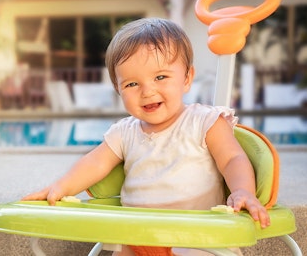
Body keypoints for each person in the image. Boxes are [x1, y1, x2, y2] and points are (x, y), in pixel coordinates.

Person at [22, 18, 270, 256]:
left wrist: (242, 191)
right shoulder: (124, 132)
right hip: (136, 236)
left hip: (197, 239)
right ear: (118, 89)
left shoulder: (205, 121)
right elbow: (94, 163)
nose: (147, 91)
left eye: (160, 77)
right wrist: (60, 188)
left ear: (187, 78)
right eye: (131, 84)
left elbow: (232, 159)